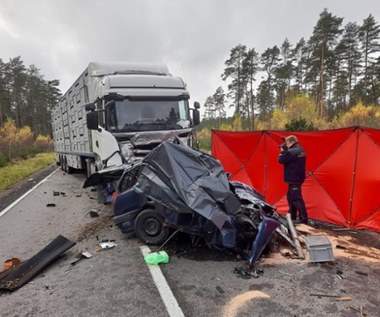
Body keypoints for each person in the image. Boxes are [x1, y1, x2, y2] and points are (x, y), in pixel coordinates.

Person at [278, 135, 308, 224]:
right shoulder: (301, 150)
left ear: (291, 142)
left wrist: (282, 152)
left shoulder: (291, 152)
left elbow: (281, 160)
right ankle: (292, 216)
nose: (286, 145)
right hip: (298, 177)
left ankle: (303, 218)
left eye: (287, 143)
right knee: (291, 197)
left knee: (296, 199)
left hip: (294, 178)